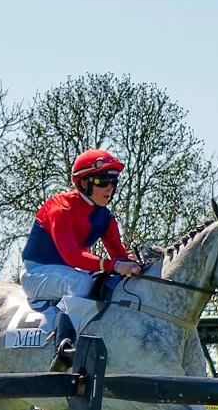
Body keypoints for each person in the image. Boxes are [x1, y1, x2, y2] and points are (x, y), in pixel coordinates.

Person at [20, 149, 143, 370]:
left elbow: (118, 255)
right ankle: (63, 347)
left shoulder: (105, 217)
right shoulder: (61, 208)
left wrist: (134, 265)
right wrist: (113, 264)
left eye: (113, 182)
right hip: (37, 273)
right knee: (82, 282)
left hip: (66, 272)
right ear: (83, 182)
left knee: (110, 282)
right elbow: (72, 255)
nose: (109, 188)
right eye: (102, 181)